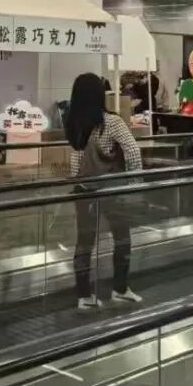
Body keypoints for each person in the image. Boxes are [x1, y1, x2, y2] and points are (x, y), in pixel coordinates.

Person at [64, 72, 143, 310]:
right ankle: (120, 289)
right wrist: (135, 183)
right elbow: (132, 150)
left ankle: (84, 296)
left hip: (84, 189)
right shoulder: (111, 121)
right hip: (112, 190)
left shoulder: (72, 121)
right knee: (122, 238)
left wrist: (78, 182)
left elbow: (77, 159)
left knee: (84, 242)